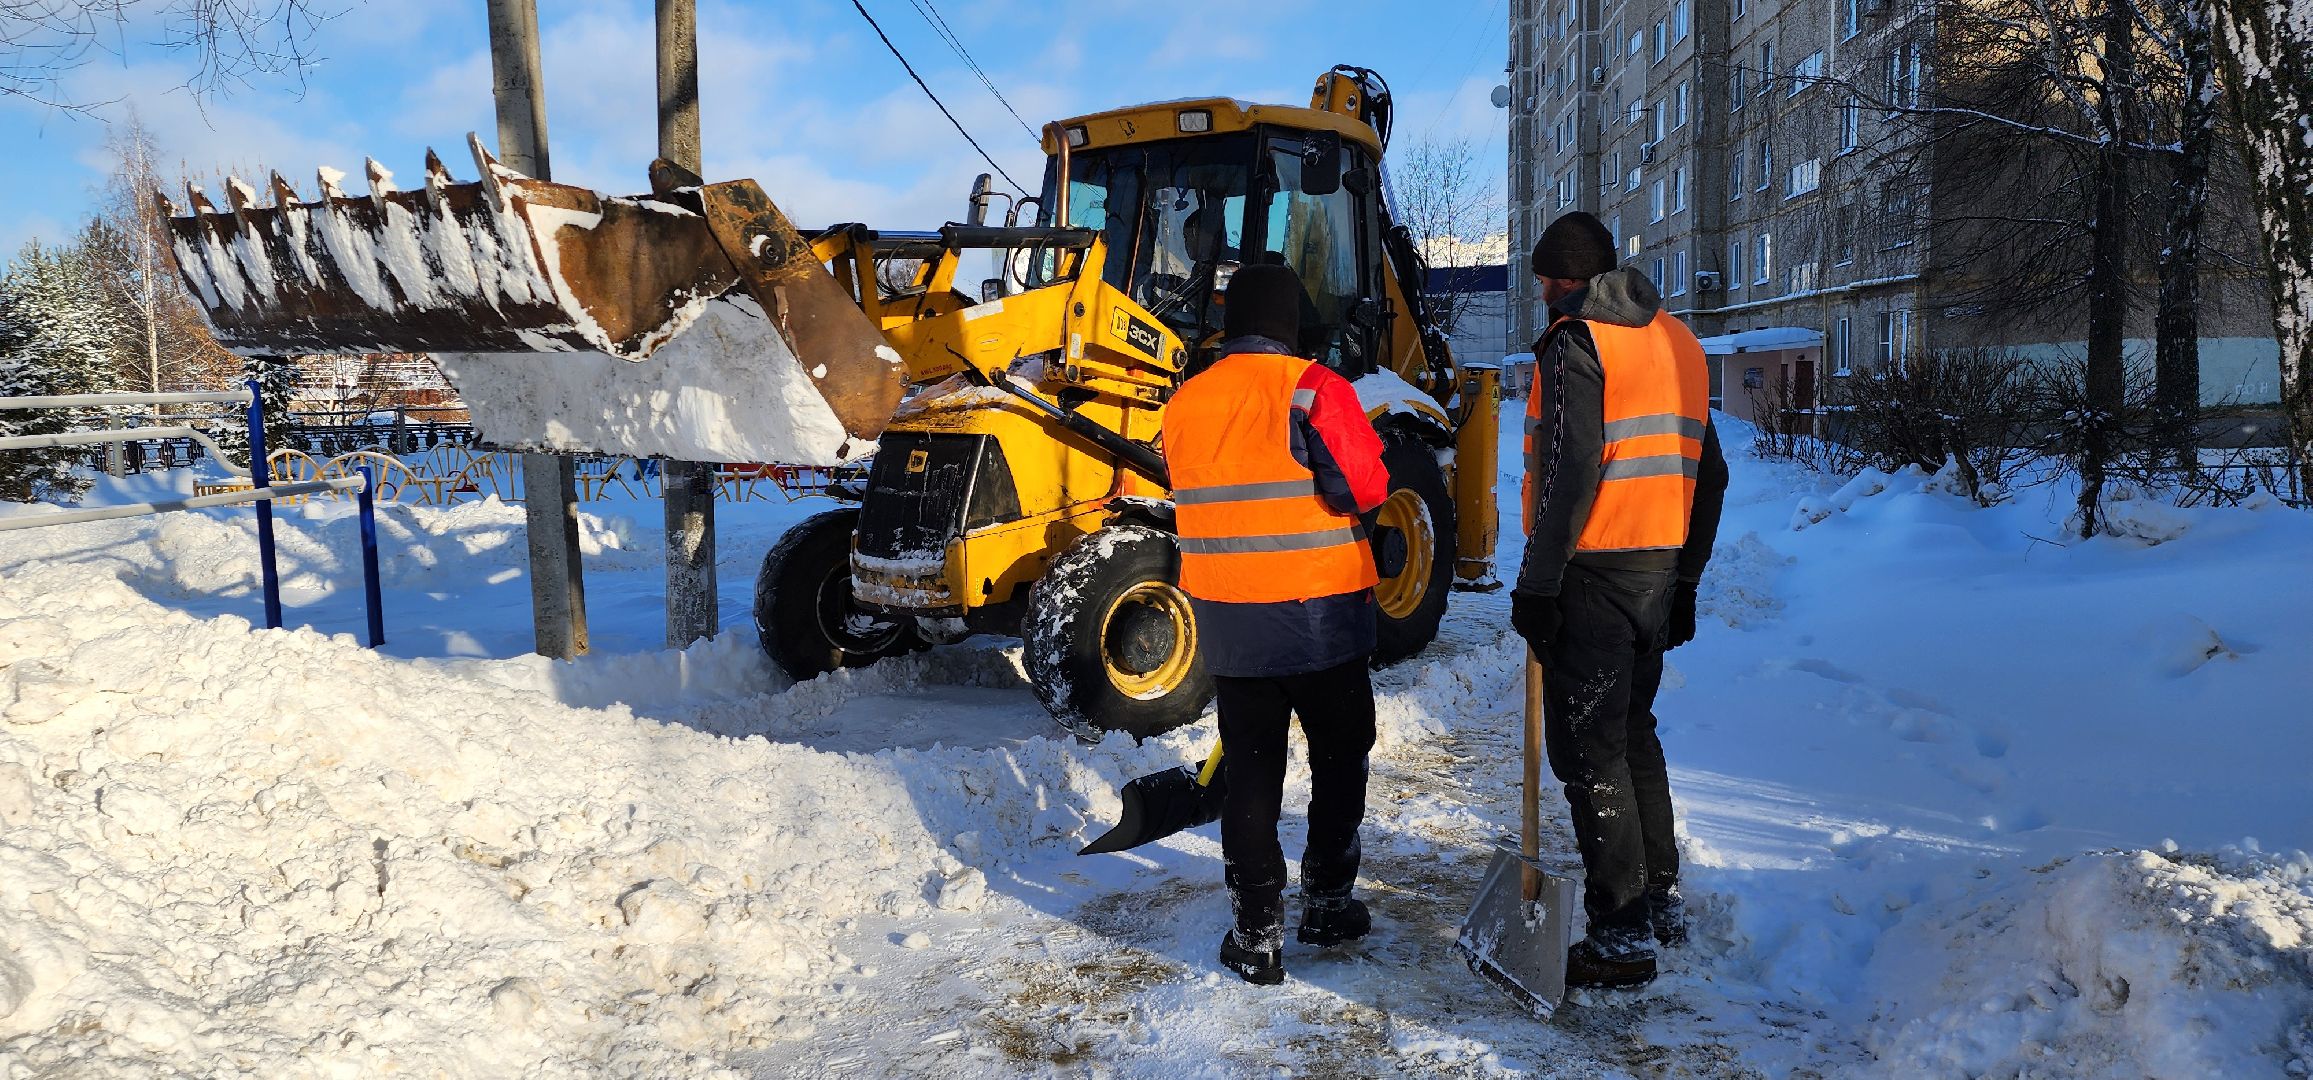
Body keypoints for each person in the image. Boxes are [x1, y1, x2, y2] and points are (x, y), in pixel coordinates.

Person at [1510, 212, 1729, 991]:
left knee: (1589, 753)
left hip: (1593, 574)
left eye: (1546, 281)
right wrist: (1686, 580)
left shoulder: (1577, 343)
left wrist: (1537, 584)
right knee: (1631, 733)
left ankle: (1621, 935)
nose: (1542, 294)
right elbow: (1711, 476)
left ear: (1572, 281)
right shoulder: (1679, 342)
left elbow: (1569, 472)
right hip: (1655, 572)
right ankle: (1655, 895)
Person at [1161, 263, 1392, 986]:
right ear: (1291, 322)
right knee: (1339, 757)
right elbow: (1365, 487)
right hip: (1322, 618)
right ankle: (1328, 903)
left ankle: (1255, 935)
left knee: (1251, 773)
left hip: (1231, 620)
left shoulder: (1184, 401)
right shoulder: (1314, 388)